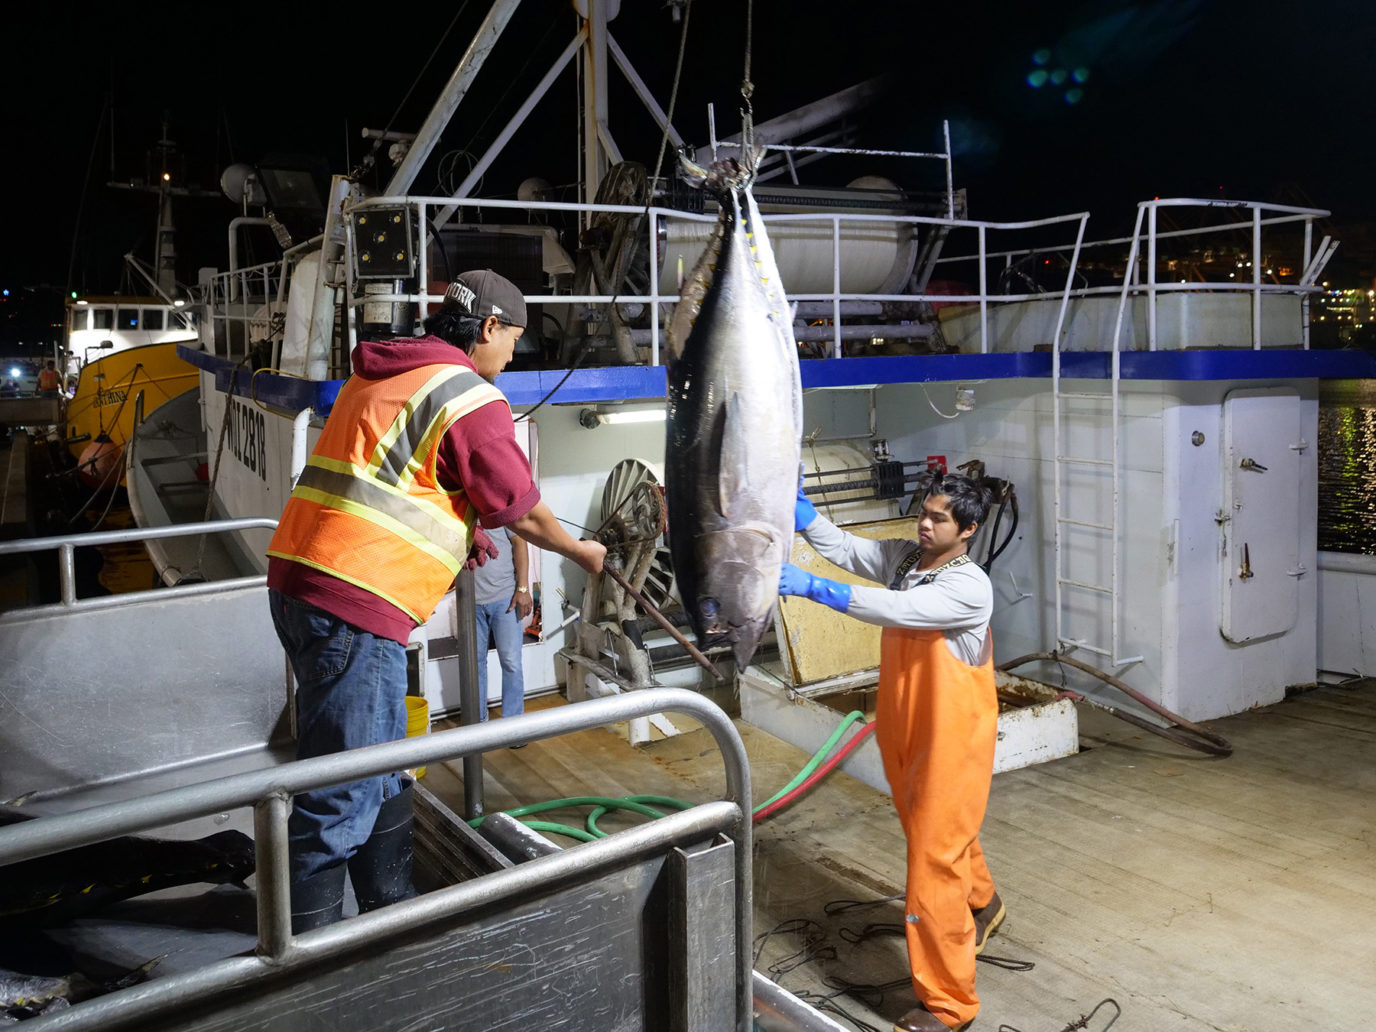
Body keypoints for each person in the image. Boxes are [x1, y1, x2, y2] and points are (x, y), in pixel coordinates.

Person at [265, 268, 606, 932]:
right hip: (356, 606)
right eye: (513, 339)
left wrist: (463, 535)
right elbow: (521, 510)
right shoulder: (468, 395)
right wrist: (583, 553)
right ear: (488, 328)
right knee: (343, 795)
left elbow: (396, 478)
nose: (511, 355)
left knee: (386, 769)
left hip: (301, 584)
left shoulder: (382, 376)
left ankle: (390, 914)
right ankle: (301, 965)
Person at [779, 471, 1001, 1032]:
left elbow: (892, 611)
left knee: (931, 860)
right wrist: (802, 514)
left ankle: (950, 1006)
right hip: (906, 726)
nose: (924, 524)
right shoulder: (908, 559)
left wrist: (810, 587)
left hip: (953, 738)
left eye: (939, 519)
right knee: (934, 834)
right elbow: (852, 550)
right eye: (923, 512)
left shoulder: (968, 586)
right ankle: (984, 901)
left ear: (968, 529)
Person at [473, 524, 532, 723]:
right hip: (469, 603)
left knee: (511, 662)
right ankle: (478, 724)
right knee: (474, 665)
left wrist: (522, 588)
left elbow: (519, 542)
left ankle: (513, 726)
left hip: (505, 598)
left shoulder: (497, 505)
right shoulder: (458, 506)